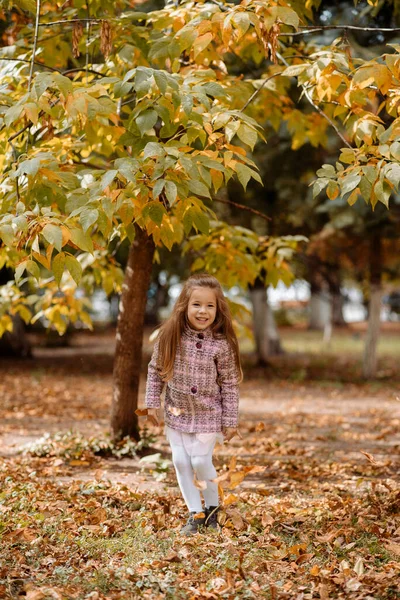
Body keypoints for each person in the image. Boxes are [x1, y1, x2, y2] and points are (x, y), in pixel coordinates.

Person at [144, 273, 242, 536]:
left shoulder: (221, 344)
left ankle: (212, 508)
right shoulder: (169, 335)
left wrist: (230, 421)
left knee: (199, 461)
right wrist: (152, 403)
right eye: (196, 304)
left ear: (218, 309)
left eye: (210, 305)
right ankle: (195, 513)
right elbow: (155, 370)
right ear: (184, 306)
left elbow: (230, 384)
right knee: (180, 461)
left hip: (209, 413)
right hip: (177, 411)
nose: (203, 311)